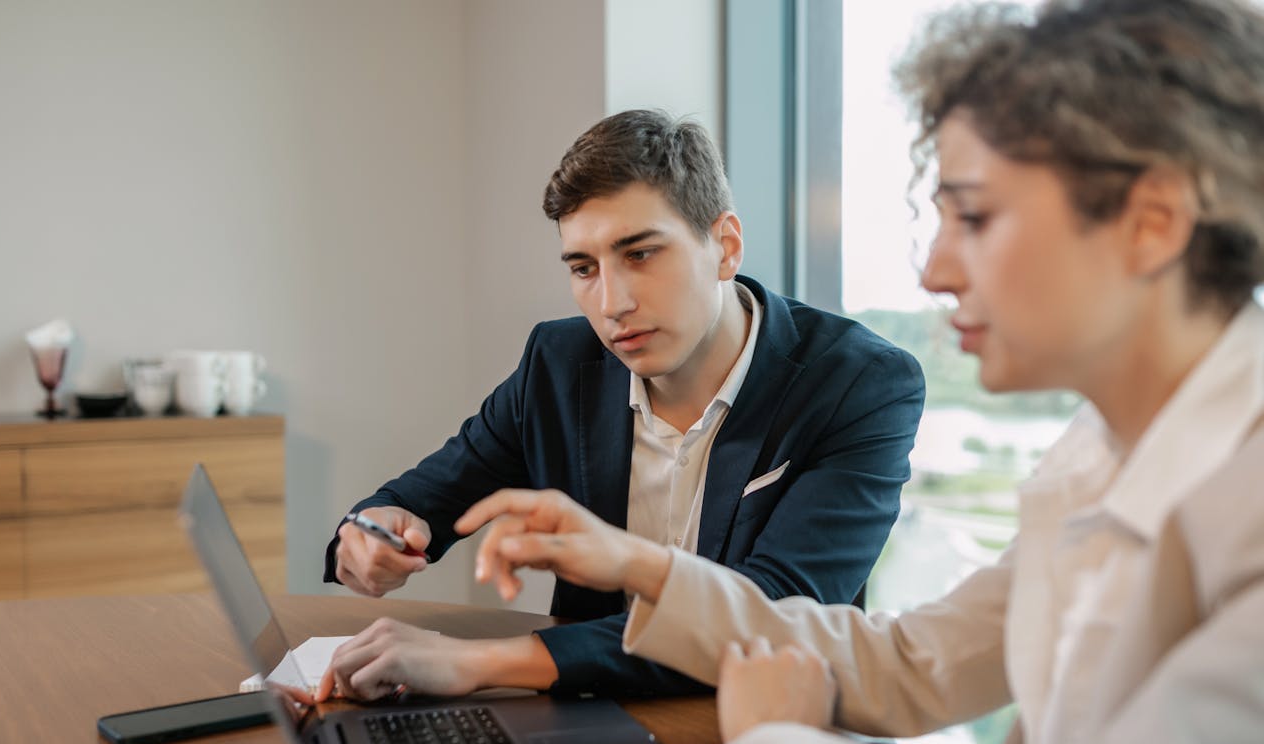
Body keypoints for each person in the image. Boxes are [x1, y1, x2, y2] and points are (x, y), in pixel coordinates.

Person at [449, 1, 1264, 744]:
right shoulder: (1101, 453)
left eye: (975, 217)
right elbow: (911, 662)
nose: (934, 268)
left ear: (1153, 222)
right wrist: (641, 563)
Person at [320, 109, 925, 698]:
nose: (612, 304)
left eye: (640, 254)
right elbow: (419, 498)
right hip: (590, 727)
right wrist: (373, 533)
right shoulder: (559, 364)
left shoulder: (862, 385)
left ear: (726, 246)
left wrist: (482, 662)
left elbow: (777, 612)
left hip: (773, 736)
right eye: (584, 267)